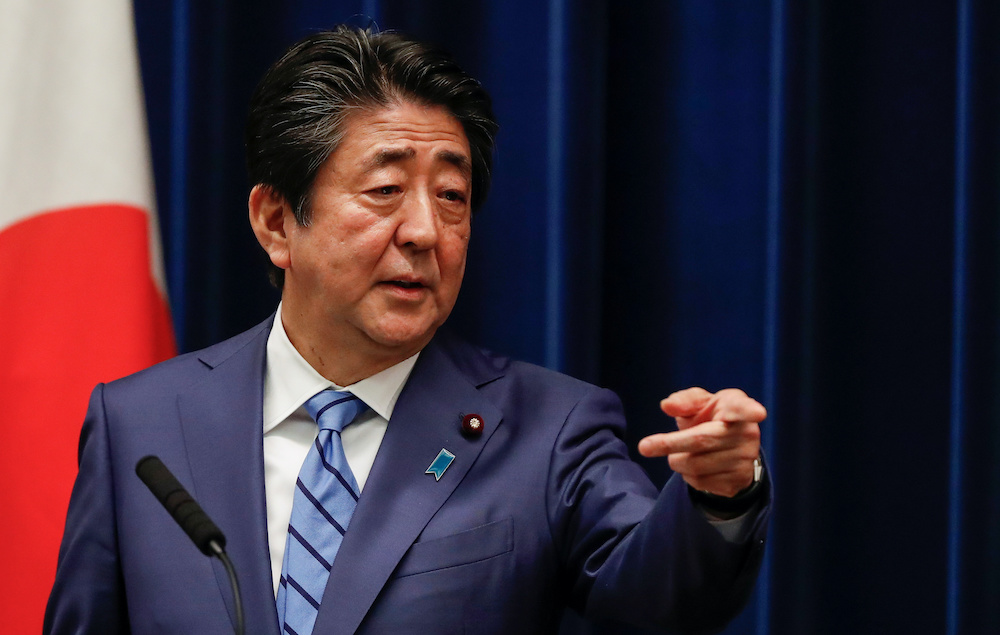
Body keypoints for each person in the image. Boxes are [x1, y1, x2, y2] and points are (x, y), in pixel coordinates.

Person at [44, 26, 770, 635]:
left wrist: (719, 494)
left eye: (451, 196)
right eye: (385, 190)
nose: (426, 230)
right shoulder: (140, 425)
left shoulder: (549, 428)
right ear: (275, 222)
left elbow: (654, 598)